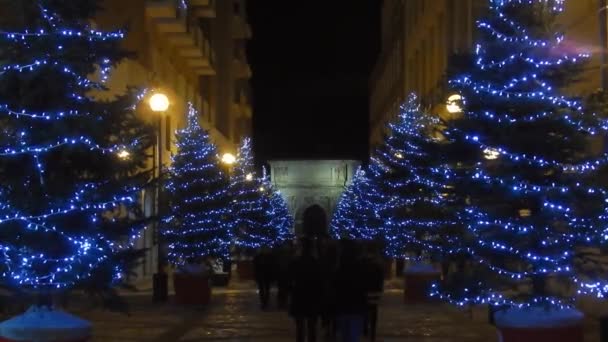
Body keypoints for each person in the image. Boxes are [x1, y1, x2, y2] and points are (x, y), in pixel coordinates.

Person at [288, 238, 323, 342]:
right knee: (312, 327)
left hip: (299, 297)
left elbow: (289, 279)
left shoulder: (295, 262)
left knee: (300, 328)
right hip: (312, 298)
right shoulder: (315, 263)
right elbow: (320, 282)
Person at [334, 240, 367, 342]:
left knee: (344, 335)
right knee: (353, 336)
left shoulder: (339, 269)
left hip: (342, 306)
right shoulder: (360, 268)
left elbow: (335, 287)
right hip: (357, 306)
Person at [361, 241, 384, 342]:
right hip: (374, 290)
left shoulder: (362, 262)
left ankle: (365, 328)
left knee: (365, 309)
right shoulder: (377, 263)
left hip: (364, 289)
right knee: (373, 310)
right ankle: (372, 332)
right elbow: (380, 278)